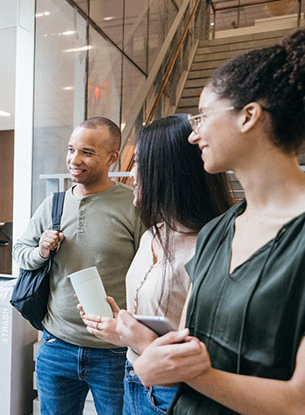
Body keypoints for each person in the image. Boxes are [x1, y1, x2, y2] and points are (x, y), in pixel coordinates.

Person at [130, 29, 305, 414]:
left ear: (249, 116)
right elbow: (188, 344)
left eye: (202, 117)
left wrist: (169, 368)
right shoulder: (216, 231)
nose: (194, 135)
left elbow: (298, 402)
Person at [75, 114, 231, 414]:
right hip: (133, 379)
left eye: (139, 164)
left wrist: (141, 340)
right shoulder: (152, 235)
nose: (132, 175)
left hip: (174, 394)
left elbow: (209, 357)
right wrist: (121, 324)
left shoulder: (213, 248)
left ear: (168, 171)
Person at [13, 117, 143, 415]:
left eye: (87, 152)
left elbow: (149, 271)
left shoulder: (133, 206)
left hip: (114, 351)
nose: (74, 159)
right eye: (71, 150)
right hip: (56, 345)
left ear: (112, 157)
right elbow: (21, 251)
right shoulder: (53, 204)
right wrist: (41, 251)